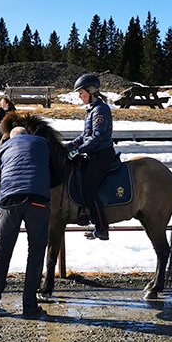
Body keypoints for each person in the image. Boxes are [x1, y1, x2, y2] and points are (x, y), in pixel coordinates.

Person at [0, 126, 51, 320]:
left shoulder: (4, 147)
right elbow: (54, 175)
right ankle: (29, 306)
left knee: (2, 251)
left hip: (9, 200)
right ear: (28, 136)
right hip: (37, 200)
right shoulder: (43, 144)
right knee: (36, 252)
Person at [64, 74, 114, 241]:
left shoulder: (101, 110)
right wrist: (69, 146)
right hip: (93, 153)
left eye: (81, 93)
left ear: (91, 91)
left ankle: (101, 228)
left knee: (88, 188)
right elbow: (85, 136)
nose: (80, 96)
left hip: (102, 155)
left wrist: (78, 151)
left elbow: (97, 138)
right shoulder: (92, 110)